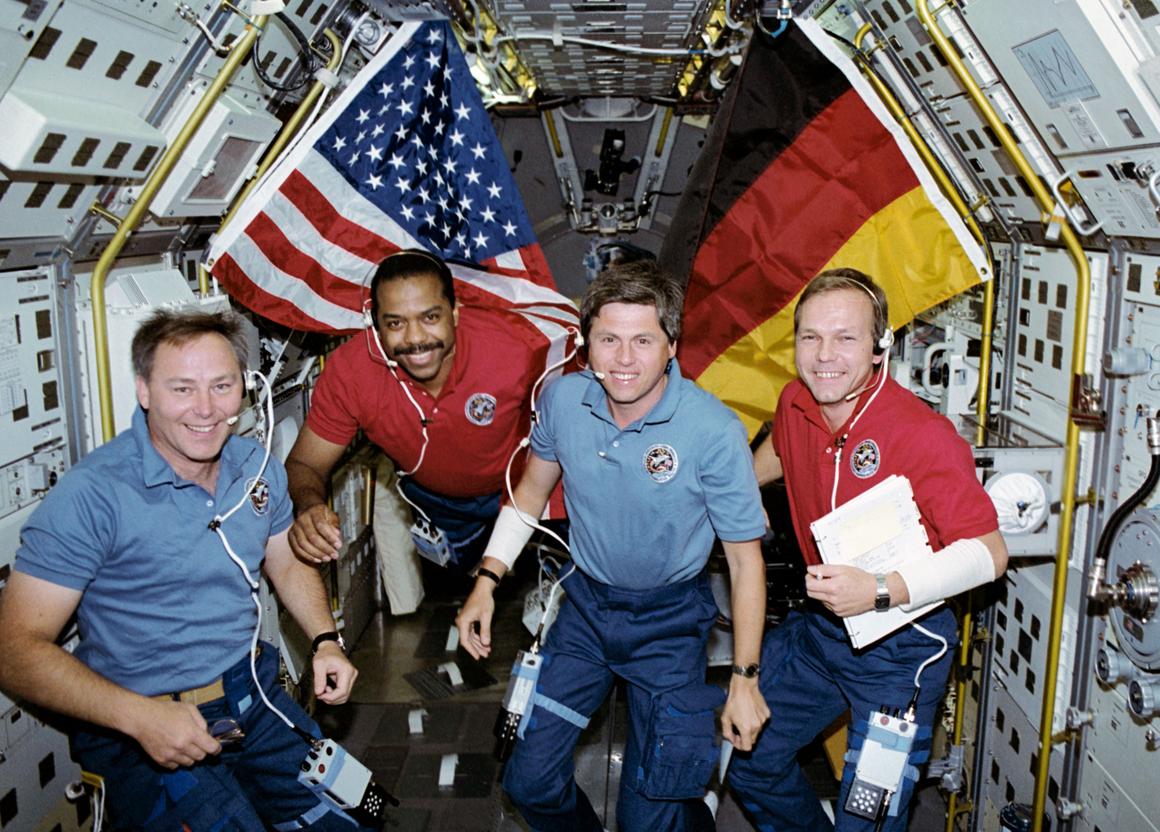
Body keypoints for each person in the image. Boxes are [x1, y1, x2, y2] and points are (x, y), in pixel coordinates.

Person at [0, 309, 366, 830]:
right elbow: (13, 651)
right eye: (182, 388)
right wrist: (139, 718)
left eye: (222, 386)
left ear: (243, 388)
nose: (206, 409)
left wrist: (325, 639)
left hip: (251, 699)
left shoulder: (254, 467)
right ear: (144, 391)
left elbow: (282, 558)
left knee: (348, 817)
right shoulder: (93, 496)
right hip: (144, 723)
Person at [456, 260, 771, 831]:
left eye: (643, 340)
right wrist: (487, 581)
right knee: (528, 783)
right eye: (609, 339)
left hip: (670, 625)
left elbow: (746, 564)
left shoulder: (711, 431)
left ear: (672, 345)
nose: (624, 360)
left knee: (649, 817)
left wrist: (745, 680)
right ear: (586, 342)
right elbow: (528, 496)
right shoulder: (561, 401)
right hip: (586, 614)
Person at [728, 269, 1009, 832]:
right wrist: (733, 494)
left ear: (880, 348)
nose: (824, 355)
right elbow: (784, 453)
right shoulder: (795, 402)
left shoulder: (921, 435)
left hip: (901, 650)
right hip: (821, 633)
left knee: (868, 822)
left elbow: (988, 555)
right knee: (748, 764)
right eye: (810, 337)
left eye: (845, 338)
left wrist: (880, 591)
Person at [285, 249, 551, 589]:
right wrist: (308, 506)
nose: (414, 339)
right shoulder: (351, 372)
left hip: (524, 490)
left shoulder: (515, 349)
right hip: (441, 504)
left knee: (561, 570)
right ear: (377, 326)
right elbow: (304, 463)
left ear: (454, 313)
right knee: (464, 581)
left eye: (430, 317)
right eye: (395, 323)